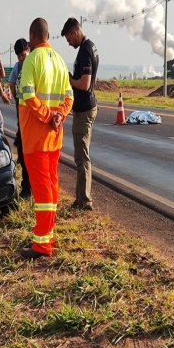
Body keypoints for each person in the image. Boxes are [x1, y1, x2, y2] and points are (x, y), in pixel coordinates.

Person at [18, 18, 73, 259]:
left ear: (32, 36)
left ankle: (42, 244)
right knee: (51, 185)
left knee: (42, 191)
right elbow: (69, 96)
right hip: (54, 136)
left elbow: (28, 94)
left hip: (36, 137)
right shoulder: (60, 60)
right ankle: (48, 234)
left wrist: (47, 115)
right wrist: (59, 115)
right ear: (48, 35)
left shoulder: (31, 59)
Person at [61, 17, 99, 211]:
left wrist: (68, 79)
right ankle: (81, 198)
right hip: (85, 107)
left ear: (75, 32)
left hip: (84, 108)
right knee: (81, 155)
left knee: (81, 157)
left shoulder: (85, 51)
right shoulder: (90, 47)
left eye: (69, 38)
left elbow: (84, 84)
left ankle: (84, 200)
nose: (69, 42)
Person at [8, 38, 31, 198]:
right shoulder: (17, 67)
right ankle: (27, 187)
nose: (22, 58)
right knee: (22, 154)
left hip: (33, 117)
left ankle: (30, 187)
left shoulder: (34, 63)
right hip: (22, 117)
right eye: (19, 56)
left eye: (23, 54)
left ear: (28, 50)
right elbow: (11, 84)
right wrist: (17, 100)